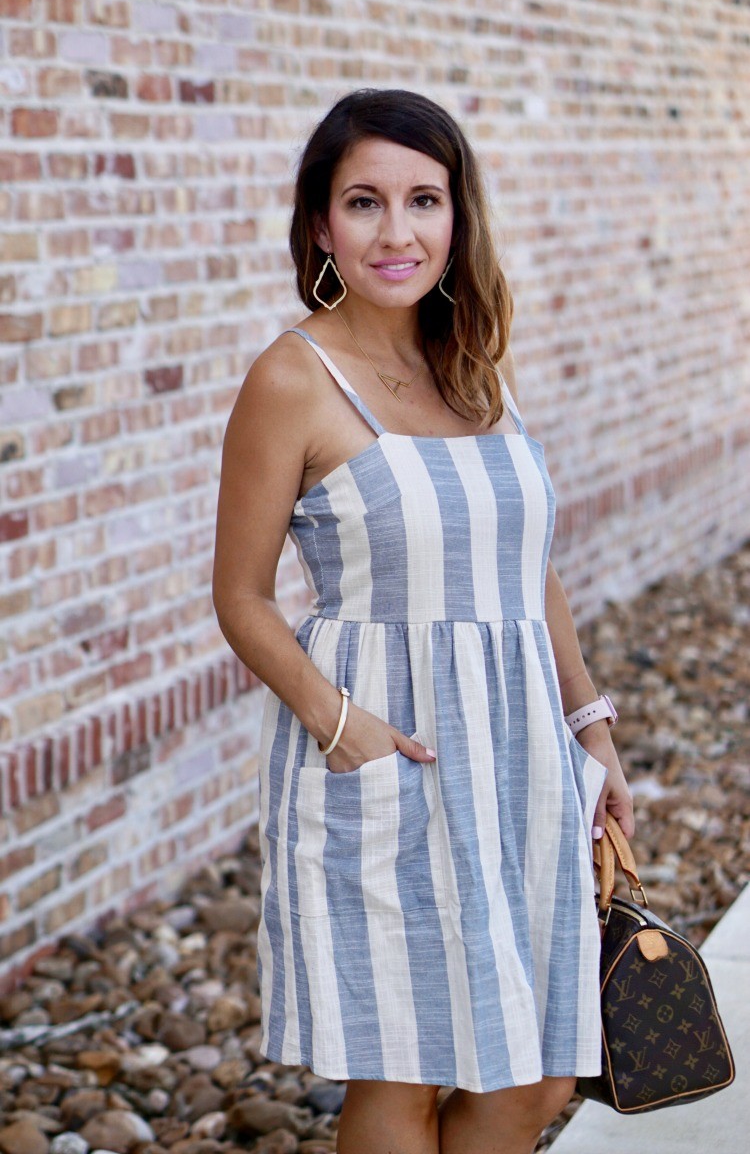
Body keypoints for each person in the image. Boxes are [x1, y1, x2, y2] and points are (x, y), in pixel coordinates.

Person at [212, 88, 634, 1154]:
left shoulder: (474, 364)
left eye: (423, 200)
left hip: (522, 754)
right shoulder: (291, 379)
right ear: (320, 223)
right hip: (389, 746)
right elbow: (242, 596)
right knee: (403, 1072)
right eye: (364, 202)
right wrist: (337, 719)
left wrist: (593, 728)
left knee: (535, 1070)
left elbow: (529, 569)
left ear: (458, 217)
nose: (396, 233)